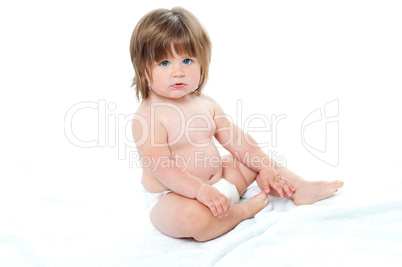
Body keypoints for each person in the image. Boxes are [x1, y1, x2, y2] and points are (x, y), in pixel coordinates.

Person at [130, 7, 343, 242]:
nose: (178, 72)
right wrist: (200, 191)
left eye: (187, 60)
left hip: (221, 185)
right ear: (143, 68)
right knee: (191, 218)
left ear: (203, 62)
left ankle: (297, 187)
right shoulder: (149, 116)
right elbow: (162, 167)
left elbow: (238, 141)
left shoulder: (206, 104)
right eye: (164, 63)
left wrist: (264, 168)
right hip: (173, 197)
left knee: (252, 159)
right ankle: (240, 213)